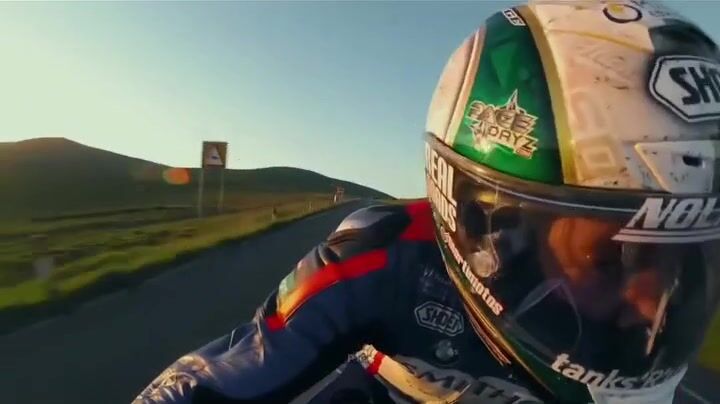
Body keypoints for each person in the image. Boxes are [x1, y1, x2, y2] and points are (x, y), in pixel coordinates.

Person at [134, 1, 720, 402]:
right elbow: (216, 380)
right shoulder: (383, 260)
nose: (654, 307)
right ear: (487, 224)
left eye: (690, 259)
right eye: (610, 258)